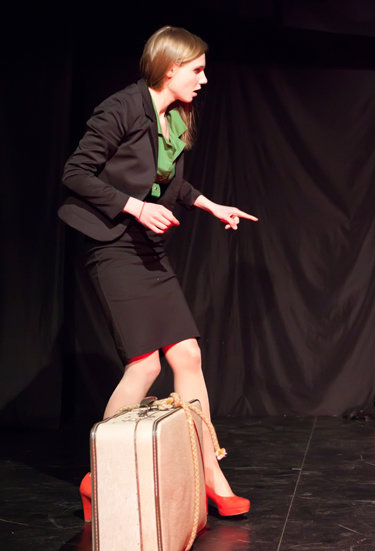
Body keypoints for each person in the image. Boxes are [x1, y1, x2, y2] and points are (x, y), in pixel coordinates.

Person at [59, 26, 257, 517]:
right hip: (112, 244)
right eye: (197, 70)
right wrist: (135, 207)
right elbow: (75, 173)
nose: (204, 80)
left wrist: (210, 205)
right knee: (146, 364)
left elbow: (168, 184)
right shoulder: (121, 108)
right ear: (170, 68)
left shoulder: (174, 117)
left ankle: (211, 475)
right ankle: (98, 476)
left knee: (187, 354)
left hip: (146, 247)